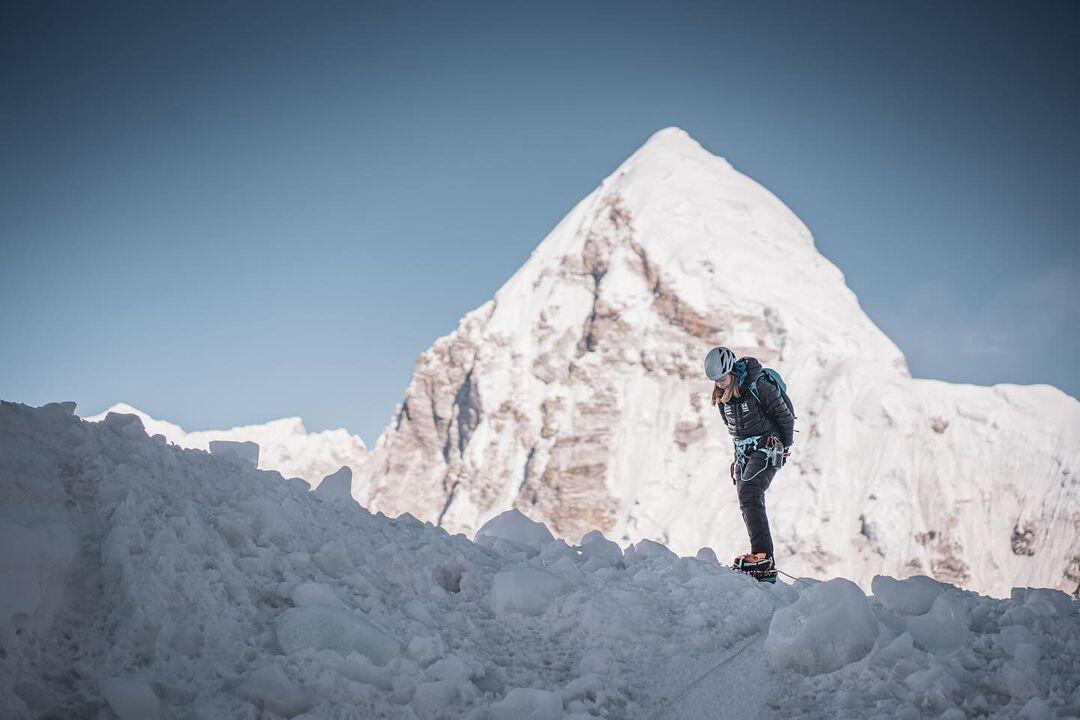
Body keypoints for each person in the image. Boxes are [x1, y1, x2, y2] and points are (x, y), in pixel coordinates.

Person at [704, 346, 795, 576]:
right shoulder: (723, 398)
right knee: (746, 498)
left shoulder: (758, 386)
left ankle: (763, 556)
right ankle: (763, 561)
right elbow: (735, 431)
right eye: (715, 380)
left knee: (751, 493)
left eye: (722, 378)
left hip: (768, 445)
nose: (720, 383)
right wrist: (736, 458)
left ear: (732, 370)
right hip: (745, 451)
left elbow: (784, 416)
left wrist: (783, 447)